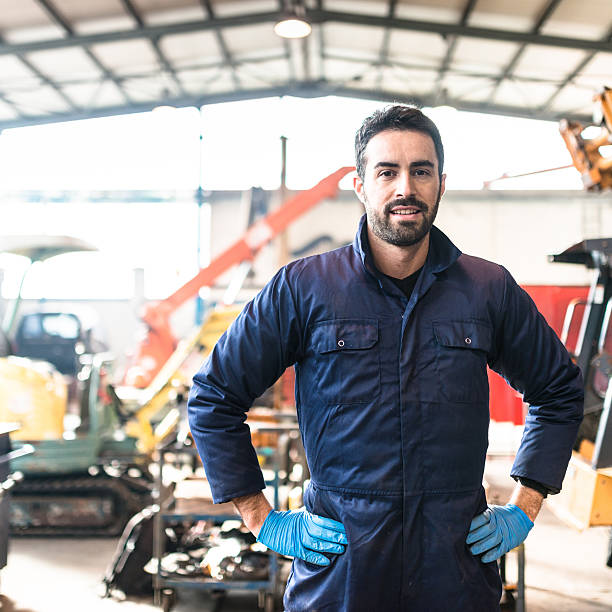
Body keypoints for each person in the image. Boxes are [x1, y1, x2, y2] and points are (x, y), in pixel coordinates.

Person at [188, 105, 584, 611]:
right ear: (360, 184)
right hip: (341, 565)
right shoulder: (304, 288)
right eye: (387, 172)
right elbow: (214, 397)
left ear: (441, 183)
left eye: (421, 171)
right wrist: (259, 516)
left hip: (454, 568)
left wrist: (526, 506)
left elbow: (558, 391)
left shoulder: (487, 289)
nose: (405, 188)